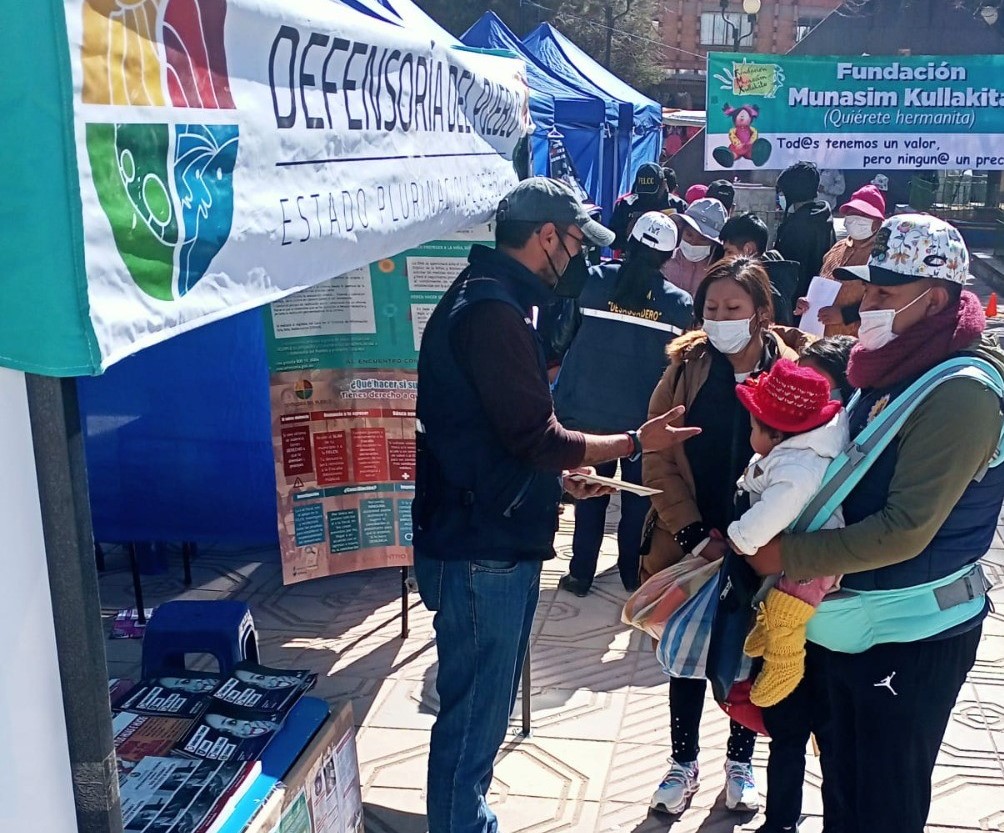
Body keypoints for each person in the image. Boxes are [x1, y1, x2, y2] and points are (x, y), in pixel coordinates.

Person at [412, 177, 701, 833]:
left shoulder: (496, 301)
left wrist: (558, 482)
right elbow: (536, 435)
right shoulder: (491, 312)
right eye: (575, 241)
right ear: (546, 236)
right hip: (481, 547)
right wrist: (633, 441)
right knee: (474, 715)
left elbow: (501, 439)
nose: (581, 257)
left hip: (484, 528)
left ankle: (466, 816)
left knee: (480, 711)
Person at [747, 214, 1004, 833]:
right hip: (846, 626)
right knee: (844, 795)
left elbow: (907, 528)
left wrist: (785, 557)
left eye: (885, 295)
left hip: (911, 634)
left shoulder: (962, 391)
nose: (868, 307)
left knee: (884, 807)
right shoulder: (887, 366)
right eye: (868, 291)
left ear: (935, 299)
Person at [643, 257, 801, 817]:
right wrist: (689, 531)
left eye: (732, 308)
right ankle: (681, 764)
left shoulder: (790, 367)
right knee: (682, 651)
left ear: (761, 311)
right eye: (710, 308)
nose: (719, 318)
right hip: (690, 534)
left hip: (760, 542)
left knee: (747, 654)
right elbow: (657, 452)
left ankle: (741, 760)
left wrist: (750, 538)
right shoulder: (686, 365)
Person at [553, 212, 694, 596]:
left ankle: (580, 573)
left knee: (588, 494)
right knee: (635, 502)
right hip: (643, 423)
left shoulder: (593, 282)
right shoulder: (679, 305)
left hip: (586, 413)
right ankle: (632, 575)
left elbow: (561, 338)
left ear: (627, 243)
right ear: (668, 257)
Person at [756, 336, 854, 833]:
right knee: (786, 733)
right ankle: (779, 822)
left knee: (837, 740)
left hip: (834, 623)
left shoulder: (850, 451)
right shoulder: (784, 448)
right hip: (781, 605)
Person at [729, 360, 847, 708]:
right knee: (778, 599)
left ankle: (785, 665)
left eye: (753, 427)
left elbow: (778, 508)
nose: (750, 433)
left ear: (777, 434)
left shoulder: (797, 466)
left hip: (813, 558)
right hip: (803, 547)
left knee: (786, 610)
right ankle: (769, 635)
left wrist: (742, 536)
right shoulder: (799, 450)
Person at [794, 184, 886, 337]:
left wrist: (846, 315)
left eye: (863, 214)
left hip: (856, 341)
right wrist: (806, 303)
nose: (855, 218)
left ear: (877, 223)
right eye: (851, 213)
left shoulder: (881, 256)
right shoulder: (837, 249)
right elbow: (822, 286)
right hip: (820, 338)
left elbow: (885, 302)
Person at [719, 212, 799, 325]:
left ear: (748, 249)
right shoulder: (771, 282)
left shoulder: (766, 293)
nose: (725, 258)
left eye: (729, 251)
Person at [773, 161, 836, 302]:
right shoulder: (824, 217)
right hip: (820, 296)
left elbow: (788, 271)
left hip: (797, 303)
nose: (781, 195)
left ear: (792, 193)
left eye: (783, 191)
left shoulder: (796, 227)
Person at [662, 197, 728, 296]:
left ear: (714, 243)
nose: (693, 243)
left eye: (703, 239)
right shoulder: (664, 261)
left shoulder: (720, 272)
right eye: (689, 235)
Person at [610, 162, 671, 250]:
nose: (647, 198)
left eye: (652, 193)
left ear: (664, 184)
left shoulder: (677, 205)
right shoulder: (625, 205)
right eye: (643, 193)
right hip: (634, 259)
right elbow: (612, 242)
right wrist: (627, 233)